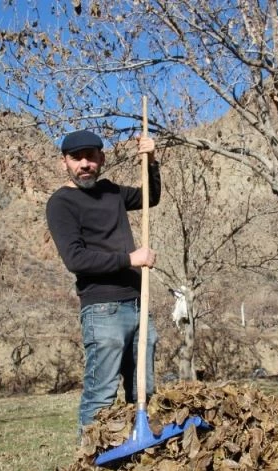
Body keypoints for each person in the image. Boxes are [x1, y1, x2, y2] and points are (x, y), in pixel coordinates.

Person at [46, 129, 161, 430]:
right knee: (101, 396)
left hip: (138, 302)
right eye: (76, 158)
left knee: (144, 393)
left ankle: (136, 454)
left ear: (101, 159)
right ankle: (91, 467)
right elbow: (76, 259)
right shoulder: (61, 204)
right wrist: (129, 259)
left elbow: (152, 196)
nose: (84, 164)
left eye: (91, 157)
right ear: (64, 163)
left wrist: (151, 160)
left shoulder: (112, 192)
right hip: (102, 309)